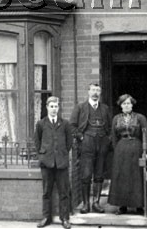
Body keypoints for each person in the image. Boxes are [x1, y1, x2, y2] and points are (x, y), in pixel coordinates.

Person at [69, 83, 111, 214]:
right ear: (88, 92)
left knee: (99, 174)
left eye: (98, 90)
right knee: (86, 174)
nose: (95, 93)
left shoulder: (105, 108)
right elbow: (72, 126)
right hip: (87, 144)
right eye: (93, 90)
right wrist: (81, 137)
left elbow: (109, 127)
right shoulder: (80, 108)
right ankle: (86, 204)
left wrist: (107, 140)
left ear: (100, 93)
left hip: (102, 144)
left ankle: (96, 203)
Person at [34, 96, 72, 229]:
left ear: (59, 108)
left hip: (61, 163)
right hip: (47, 163)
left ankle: (65, 218)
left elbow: (69, 143)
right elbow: (37, 142)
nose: (54, 109)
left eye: (56, 106)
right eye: (51, 106)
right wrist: (43, 156)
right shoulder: (41, 124)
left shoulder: (65, 124)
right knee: (46, 192)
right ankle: (46, 218)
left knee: (64, 192)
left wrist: (61, 154)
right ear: (47, 107)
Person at [108, 94, 147, 215]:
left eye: (128, 103)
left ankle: (139, 205)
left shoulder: (140, 117)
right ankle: (122, 206)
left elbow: (145, 135)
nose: (126, 105)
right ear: (120, 106)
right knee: (122, 176)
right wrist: (116, 151)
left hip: (136, 148)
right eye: (124, 103)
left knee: (136, 176)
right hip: (121, 149)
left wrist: (145, 151)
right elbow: (114, 137)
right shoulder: (116, 118)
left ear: (132, 104)